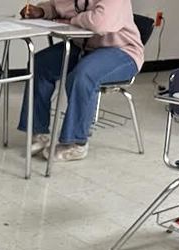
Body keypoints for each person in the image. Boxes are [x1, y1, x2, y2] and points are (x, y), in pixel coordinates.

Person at [18, 0, 144, 162]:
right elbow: (58, 7)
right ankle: (39, 131)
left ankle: (76, 144)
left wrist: (70, 21)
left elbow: (100, 23)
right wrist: (42, 11)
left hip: (122, 51)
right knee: (40, 64)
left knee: (83, 75)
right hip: (84, 48)